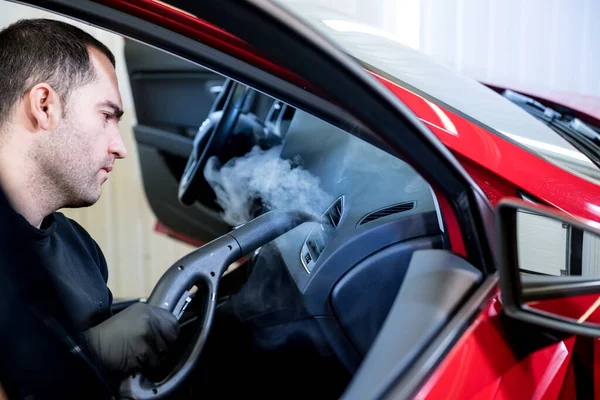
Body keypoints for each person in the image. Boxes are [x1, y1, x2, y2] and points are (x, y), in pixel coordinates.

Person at [0, 18, 180, 396]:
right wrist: (87, 356)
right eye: (106, 116)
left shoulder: (77, 245)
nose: (120, 147)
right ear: (44, 106)